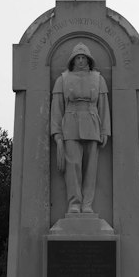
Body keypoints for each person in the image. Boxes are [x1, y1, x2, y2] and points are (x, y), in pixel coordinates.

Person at [51, 42, 110, 215]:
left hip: (92, 125)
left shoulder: (98, 79)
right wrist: (57, 134)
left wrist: (105, 130)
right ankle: (74, 203)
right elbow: (57, 108)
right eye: (78, 57)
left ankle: (87, 204)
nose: (81, 61)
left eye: (84, 57)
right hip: (70, 124)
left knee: (91, 169)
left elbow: (104, 107)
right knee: (72, 167)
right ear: (73, 60)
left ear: (89, 60)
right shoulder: (62, 79)